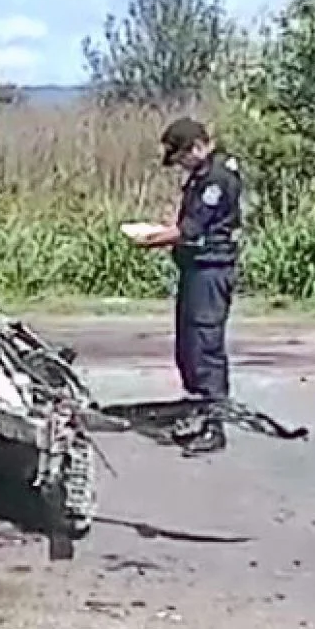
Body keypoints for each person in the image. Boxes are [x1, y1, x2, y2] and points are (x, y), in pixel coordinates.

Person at [128, 117, 243, 456]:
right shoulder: (203, 173)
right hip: (196, 270)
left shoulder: (217, 178)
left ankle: (214, 426)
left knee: (206, 349)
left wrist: (151, 239)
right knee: (189, 349)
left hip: (210, 271)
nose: (180, 165)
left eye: (181, 158)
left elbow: (192, 229)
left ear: (196, 147)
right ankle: (197, 415)